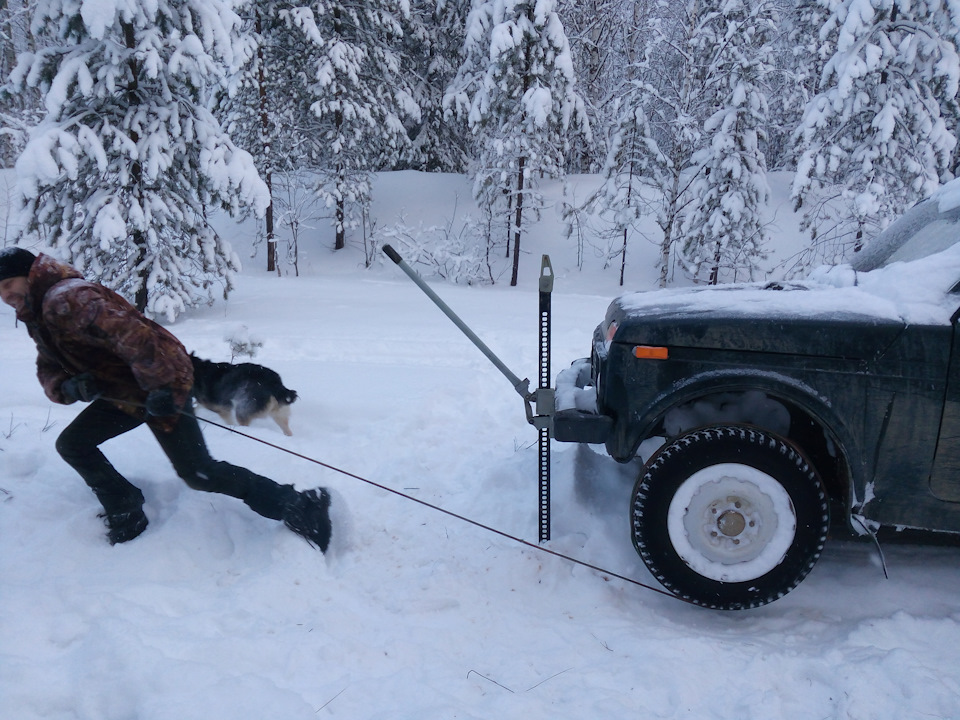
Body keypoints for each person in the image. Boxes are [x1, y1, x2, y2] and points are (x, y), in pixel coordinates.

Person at [0, 247, 331, 550]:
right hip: (126, 395)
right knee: (73, 444)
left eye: (8, 283)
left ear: (30, 274)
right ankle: (125, 506)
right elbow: (47, 362)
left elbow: (137, 336)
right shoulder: (38, 312)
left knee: (200, 473)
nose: (5, 294)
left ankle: (300, 506)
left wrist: (163, 388)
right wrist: (65, 387)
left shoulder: (68, 299)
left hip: (162, 384)